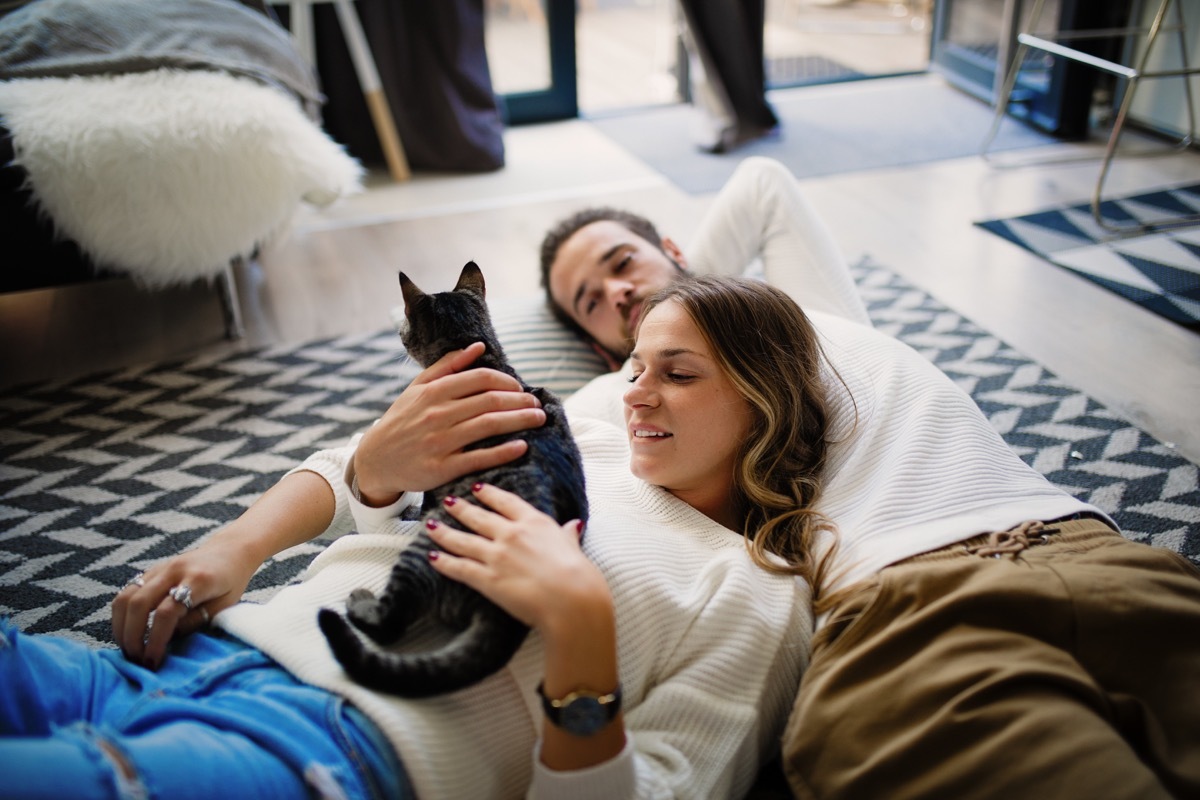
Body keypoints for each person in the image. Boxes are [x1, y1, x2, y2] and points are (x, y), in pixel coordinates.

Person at [0, 281, 826, 796]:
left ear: (769, 402)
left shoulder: (756, 591)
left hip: (332, 750)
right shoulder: (585, 429)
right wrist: (241, 544)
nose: (635, 395)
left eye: (677, 375)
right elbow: (349, 461)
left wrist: (581, 631)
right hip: (187, 653)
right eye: (635, 368)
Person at [539, 156, 1200, 799]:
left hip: (1090, 553)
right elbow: (526, 439)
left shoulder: (800, 317)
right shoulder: (623, 396)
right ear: (599, 346)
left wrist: (695, 295)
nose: (617, 292)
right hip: (909, 619)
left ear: (676, 248)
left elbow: (764, 186)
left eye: (622, 263)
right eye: (590, 302)